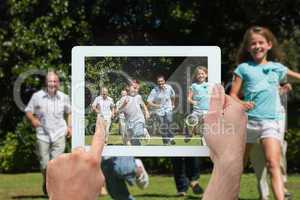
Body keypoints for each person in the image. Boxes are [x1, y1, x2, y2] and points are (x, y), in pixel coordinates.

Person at [46, 84, 247, 200]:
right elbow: (112, 107)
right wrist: (228, 164)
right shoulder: (108, 100)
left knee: (120, 154)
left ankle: (134, 165)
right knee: (110, 161)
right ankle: (132, 167)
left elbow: (143, 105)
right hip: (112, 124)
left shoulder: (140, 96)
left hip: (129, 123)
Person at [230, 26, 300, 200]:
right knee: (239, 164)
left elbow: (297, 76)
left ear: (269, 45)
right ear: (248, 47)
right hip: (249, 123)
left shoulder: (277, 68)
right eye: (253, 43)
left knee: (273, 164)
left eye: (261, 42)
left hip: (270, 122)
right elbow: (232, 95)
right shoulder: (243, 68)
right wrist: (241, 102)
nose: (257, 46)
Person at [25, 71, 71, 195]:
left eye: (55, 81)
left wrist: (69, 127)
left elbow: (69, 112)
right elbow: (28, 111)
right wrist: (33, 119)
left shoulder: (64, 97)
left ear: (58, 83)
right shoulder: (37, 96)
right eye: (50, 81)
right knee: (44, 164)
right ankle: (46, 181)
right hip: (43, 134)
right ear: (46, 82)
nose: (53, 83)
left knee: (55, 164)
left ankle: (54, 189)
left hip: (59, 133)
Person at [250, 83, 292, 200]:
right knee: (258, 159)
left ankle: (282, 188)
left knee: (277, 159)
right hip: (254, 125)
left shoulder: (278, 80)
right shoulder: (245, 77)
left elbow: (284, 106)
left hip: (275, 127)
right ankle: (264, 195)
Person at [185, 66, 212, 145]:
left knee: (204, 128)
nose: (200, 75)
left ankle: (203, 144)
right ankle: (190, 133)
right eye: (198, 74)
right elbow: (188, 98)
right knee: (190, 121)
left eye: (202, 73)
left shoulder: (209, 85)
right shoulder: (194, 86)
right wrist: (193, 102)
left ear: (206, 75)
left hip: (207, 111)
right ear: (196, 76)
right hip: (197, 110)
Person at [117, 81, 150, 145]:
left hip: (139, 119)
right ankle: (137, 153)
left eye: (137, 89)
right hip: (129, 122)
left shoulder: (138, 97)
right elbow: (117, 111)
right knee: (134, 141)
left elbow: (143, 105)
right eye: (134, 88)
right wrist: (124, 104)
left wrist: (146, 112)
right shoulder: (123, 99)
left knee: (138, 133)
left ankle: (144, 131)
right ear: (128, 88)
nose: (135, 90)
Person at [147, 75, 176, 145]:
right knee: (162, 126)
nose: (160, 83)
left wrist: (173, 104)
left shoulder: (169, 88)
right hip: (159, 111)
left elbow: (173, 96)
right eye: (159, 82)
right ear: (157, 82)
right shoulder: (154, 90)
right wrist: (156, 105)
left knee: (169, 120)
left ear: (164, 81)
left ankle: (171, 137)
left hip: (168, 108)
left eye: (162, 81)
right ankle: (166, 142)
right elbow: (149, 101)